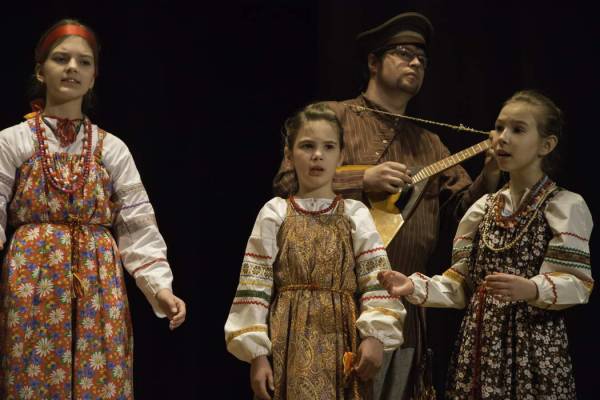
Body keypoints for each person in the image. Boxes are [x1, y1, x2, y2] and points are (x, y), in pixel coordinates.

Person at [273, 12, 500, 400]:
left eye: (422, 59)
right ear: (373, 62)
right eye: (404, 53)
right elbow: (286, 183)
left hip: (403, 308)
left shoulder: (430, 144)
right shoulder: (333, 116)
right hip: (331, 305)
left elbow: (463, 214)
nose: (415, 63)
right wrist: (362, 179)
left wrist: (491, 172)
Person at [0, 19, 186, 398]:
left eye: (84, 62)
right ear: (40, 70)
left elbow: (137, 223)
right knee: (33, 379)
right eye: (61, 58)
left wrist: (160, 288)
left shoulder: (111, 149)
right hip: (32, 281)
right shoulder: (13, 141)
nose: (72, 68)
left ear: (94, 76)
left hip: (99, 285)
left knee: (99, 379)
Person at [378, 90, 593, 399]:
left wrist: (531, 288)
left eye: (517, 130)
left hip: (533, 348)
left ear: (546, 145)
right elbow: (460, 285)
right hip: (479, 344)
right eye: (499, 127)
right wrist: (413, 286)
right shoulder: (482, 209)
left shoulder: (564, 206)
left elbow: (578, 283)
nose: (502, 138)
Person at [225, 102, 405, 399]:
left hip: (342, 339)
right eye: (307, 146)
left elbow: (377, 278)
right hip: (287, 341)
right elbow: (254, 284)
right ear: (289, 154)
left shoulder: (355, 214)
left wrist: (375, 335)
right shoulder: (275, 212)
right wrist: (256, 355)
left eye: (328, 147)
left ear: (341, 156)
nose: (317, 155)